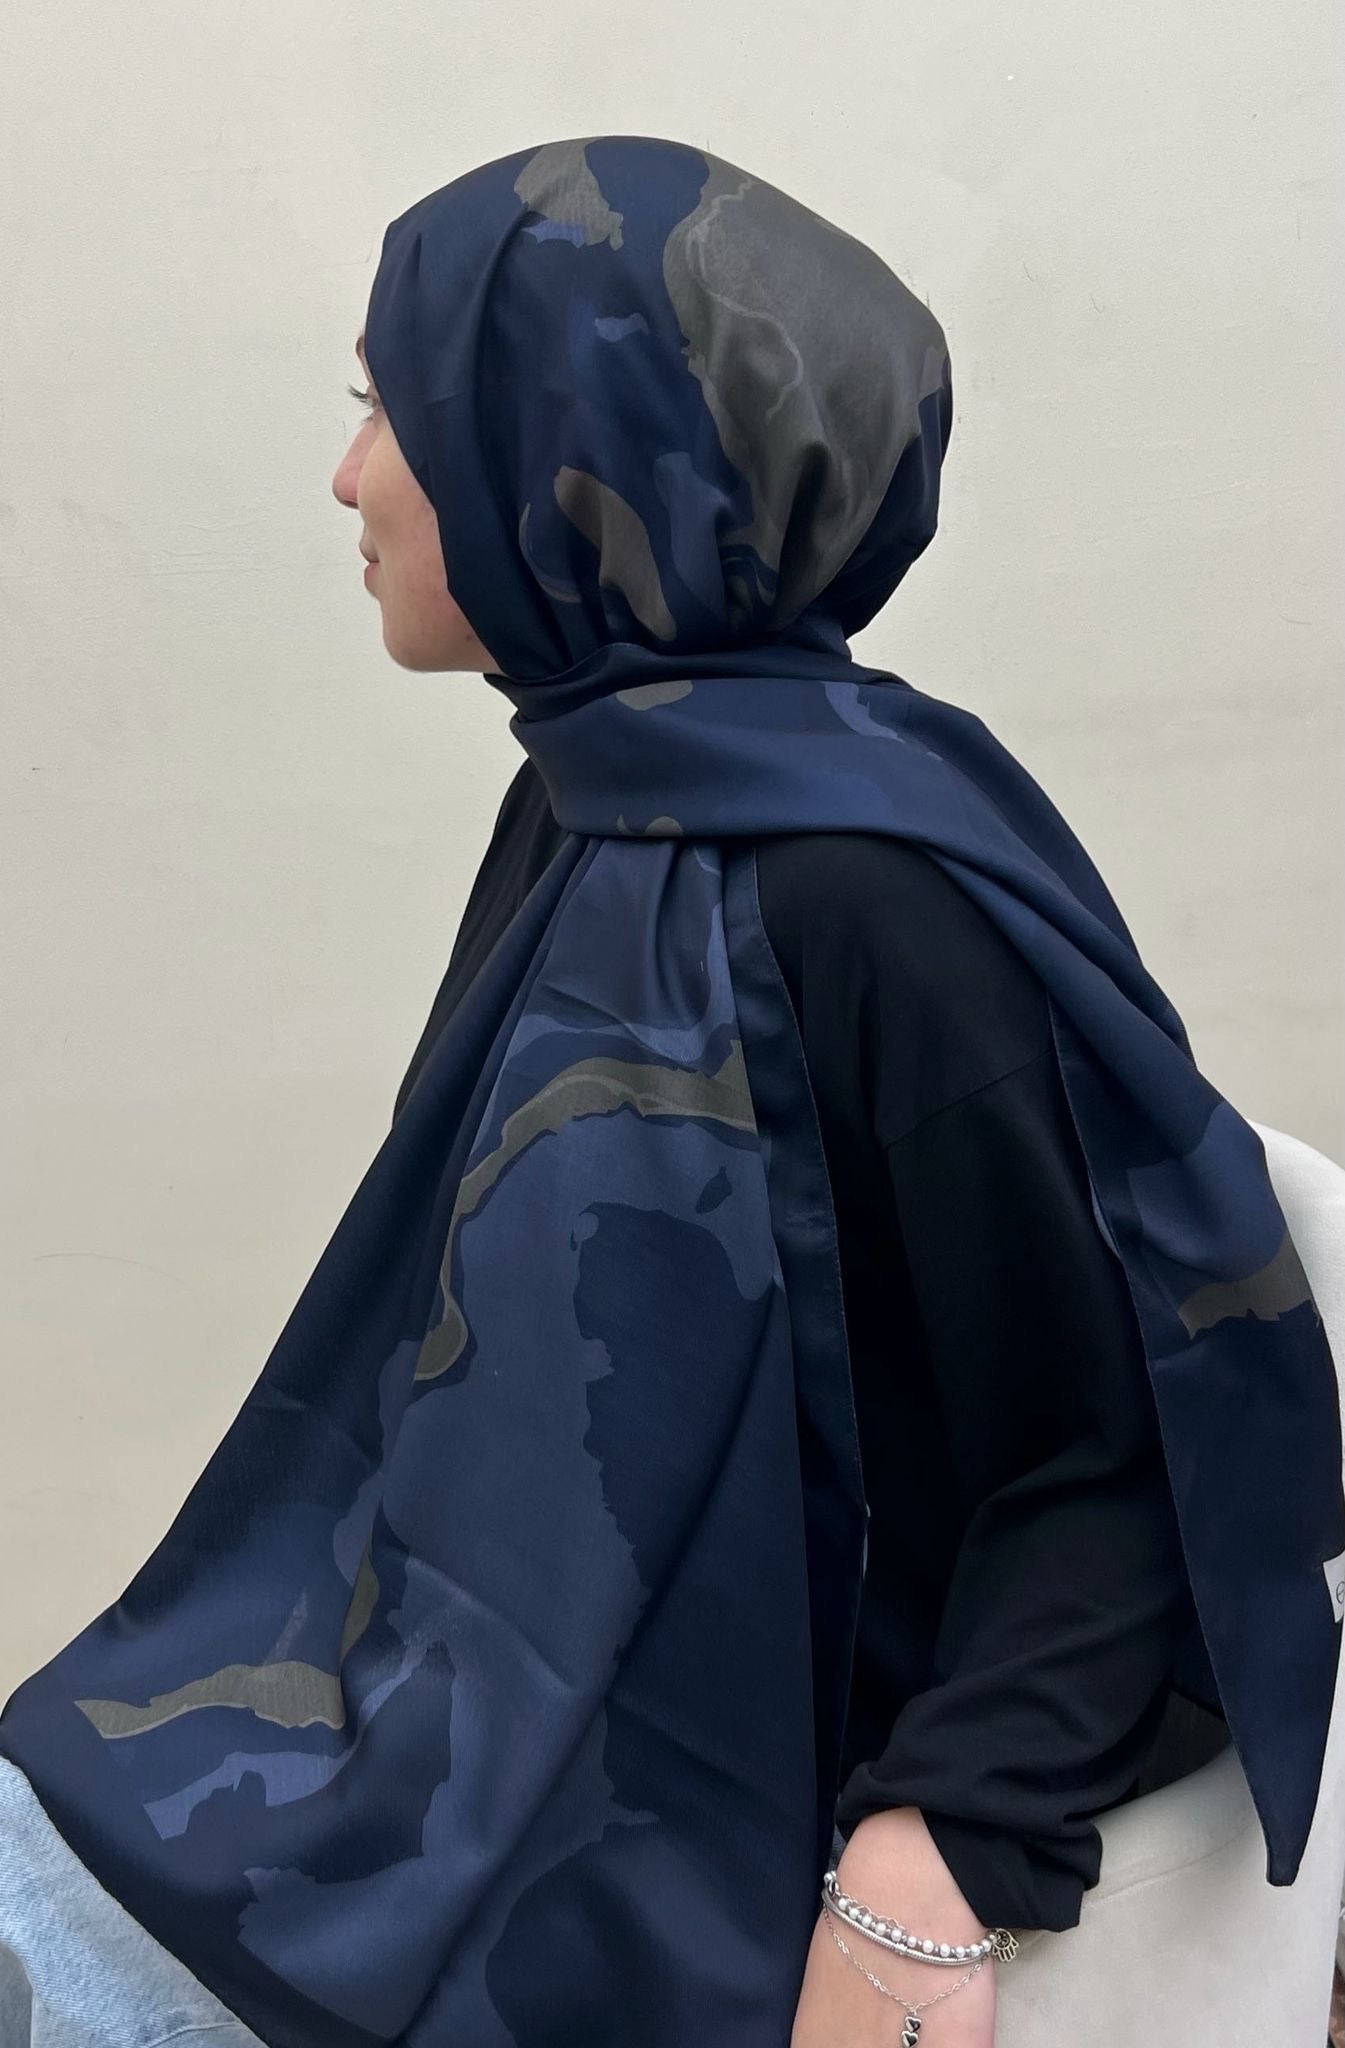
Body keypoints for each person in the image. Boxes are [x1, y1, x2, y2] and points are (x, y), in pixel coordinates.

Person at [1, 133, 1340, 2048]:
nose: (346, 476)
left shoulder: (875, 895)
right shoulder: (595, 800)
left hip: (715, 1786)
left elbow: (1131, 1450)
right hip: (456, 1696)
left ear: (570, 450)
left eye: (389, 410)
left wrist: (938, 1857)